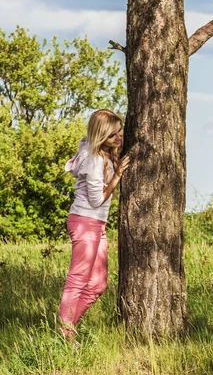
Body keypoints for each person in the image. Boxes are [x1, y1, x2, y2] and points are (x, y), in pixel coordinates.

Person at [58, 109, 130, 341]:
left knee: (98, 284)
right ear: (101, 137)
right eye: (112, 135)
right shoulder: (95, 160)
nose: (118, 138)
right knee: (78, 280)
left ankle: (67, 329)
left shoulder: (101, 153)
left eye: (120, 132)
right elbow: (97, 199)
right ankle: (66, 334)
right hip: (84, 222)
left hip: (96, 224)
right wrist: (117, 176)